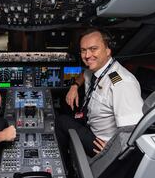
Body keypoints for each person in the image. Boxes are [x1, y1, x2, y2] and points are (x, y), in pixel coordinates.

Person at [55, 29, 143, 160]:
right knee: (63, 106)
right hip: (90, 123)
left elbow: (133, 130)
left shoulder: (121, 83)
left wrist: (112, 150)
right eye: (83, 50)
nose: (87, 55)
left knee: (61, 121)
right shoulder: (97, 69)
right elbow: (83, 75)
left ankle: (65, 165)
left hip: (101, 144)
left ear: (108, 50)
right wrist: (74, 86)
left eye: (93, 49)